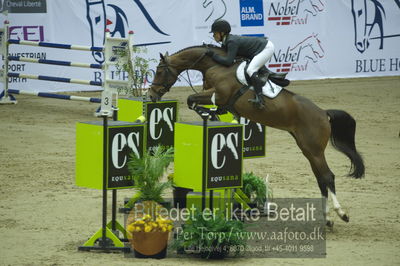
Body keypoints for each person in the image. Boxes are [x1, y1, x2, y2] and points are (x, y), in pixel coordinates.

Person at [205, 19, 275, 109]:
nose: (213, 35)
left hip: (266, 48)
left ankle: (260, 99)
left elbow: (228, 62)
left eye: (215, 33)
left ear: (222, 33)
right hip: (258, 50)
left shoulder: (231, 42)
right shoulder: (226, 42)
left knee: (250, 70)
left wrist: (213, 55)